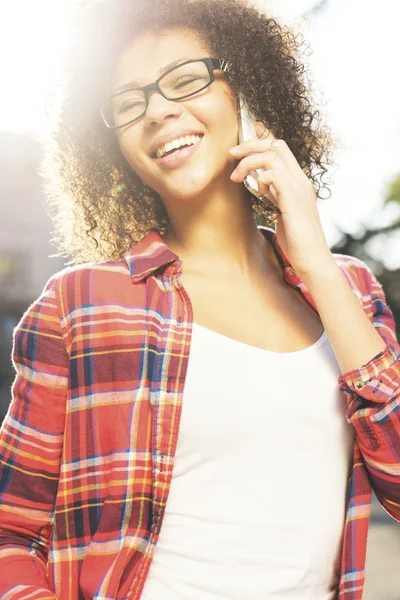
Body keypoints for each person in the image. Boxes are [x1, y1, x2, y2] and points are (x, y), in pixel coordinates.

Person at [0, 0, 399, 598]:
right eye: (129, 103)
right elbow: (11, 535)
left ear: (250, 92)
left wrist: (315, 260)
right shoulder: (81, 303)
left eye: (186, 79)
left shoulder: (349, 291)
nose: (159, 110)